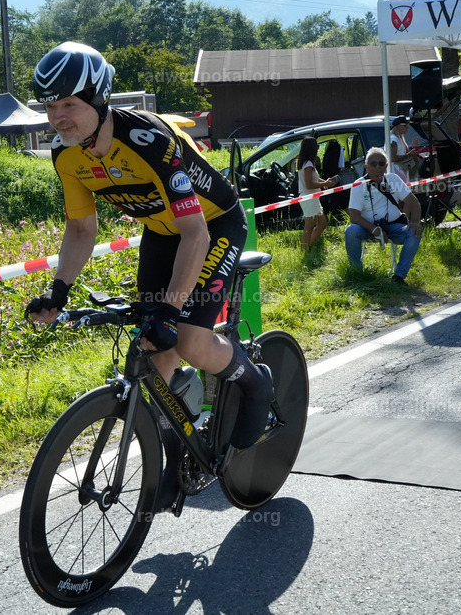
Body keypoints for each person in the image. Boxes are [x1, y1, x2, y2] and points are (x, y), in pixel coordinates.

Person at [25, 42, 276, 478]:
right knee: (155, 349)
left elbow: (195, 232)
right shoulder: (66, 155)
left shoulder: (147, 140)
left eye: (68, 104)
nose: (57, 117)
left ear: (99, 101)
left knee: (189, 341)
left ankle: (256, 384)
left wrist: (171, 310)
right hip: (161, 233)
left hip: (213, 224)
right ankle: (173, 456)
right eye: (50, 106)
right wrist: (58, 290)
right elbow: (83, 229)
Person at [344, 147, 423, 286]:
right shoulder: (358, 185)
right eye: (373, 164)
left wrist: (415, 222)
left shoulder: (393, 179)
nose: (377, 167)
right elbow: (354, 217)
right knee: (350, 231)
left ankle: (399, 277)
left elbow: (414, 203)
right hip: (367, 228)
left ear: (386, 166)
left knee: (414, 233)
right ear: (366, 166)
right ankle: (356, 274)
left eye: (381, 163)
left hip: (394, 226)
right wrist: (374, 229)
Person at [296, 136, 338, 251]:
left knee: (322, 224)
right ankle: (305, 250)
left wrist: (325, 182)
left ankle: (308, 246)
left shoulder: (307, 163)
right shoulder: (308, 164)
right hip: (309, 198)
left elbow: (315, 180)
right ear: (312, 148)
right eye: (317, 146)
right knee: (308, 227)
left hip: (312, 198)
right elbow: (309, 184)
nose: (318, 148)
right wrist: (325, 184)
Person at [389, 115, 421, 183]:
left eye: (408, 126)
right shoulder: (393, 139)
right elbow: (393, 158)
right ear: (398, 126)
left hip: (402, 169)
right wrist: (409, 154)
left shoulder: (400, 138)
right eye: (405, 126)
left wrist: (412, 148)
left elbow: (402, 153)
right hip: (396, 171)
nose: (407, 128)